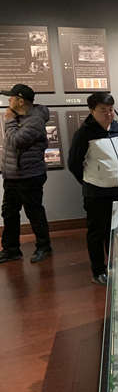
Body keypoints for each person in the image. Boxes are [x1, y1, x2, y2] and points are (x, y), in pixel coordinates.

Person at [68, 92, 118, 285]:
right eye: (103, 110)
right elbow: (74, 163)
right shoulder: (84, 133)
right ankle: (98, 270)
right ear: (92, 110)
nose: (109, 114)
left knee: (115, 229)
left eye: (111, 109)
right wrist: (90, 181)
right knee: (97, 232)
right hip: (96, 192)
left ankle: (114, 264)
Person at [0, 84, 52, 263]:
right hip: (12, 177)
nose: (9, 100)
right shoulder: (19, 117)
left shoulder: (35, 121)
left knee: (34, 213)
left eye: (11, 97)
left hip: (30, 176)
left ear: (20, 101)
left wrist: (9, 121)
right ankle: (11, 249)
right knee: (9, 213)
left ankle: (44, 247)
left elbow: (16, 141)